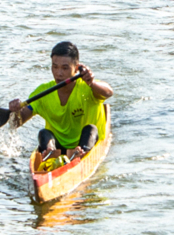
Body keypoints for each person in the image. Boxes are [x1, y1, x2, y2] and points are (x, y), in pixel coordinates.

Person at [7, 40, 113, 168]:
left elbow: (108, 92)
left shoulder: (88, 88)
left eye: (65, 68)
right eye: (55, 67)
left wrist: (91, 82)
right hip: (58, 146)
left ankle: (81, 155)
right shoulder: (43, 92)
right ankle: (49, 154)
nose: (59, 73)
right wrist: (15, 111)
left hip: (86, 143)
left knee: (90, 129)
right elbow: (16, 123)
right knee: (44, 133)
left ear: (76, 68)